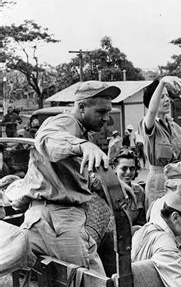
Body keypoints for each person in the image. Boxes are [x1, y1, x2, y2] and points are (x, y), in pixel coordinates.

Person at [5, 80, 122, 276]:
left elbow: (74, 175)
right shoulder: (65, 123)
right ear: (81, 106)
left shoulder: (81, 131)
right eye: (101, 112)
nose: (106, 119)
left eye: (108, 112)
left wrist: (113, 184)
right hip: (59, 220)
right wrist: (83, 146)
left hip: (53, 219)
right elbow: (48, 139)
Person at [139, 76, 181, 208]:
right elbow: (152, 111)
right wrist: (162, 81)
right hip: (157, 182)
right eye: (161, 97)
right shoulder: (149, 124)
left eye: (167, 96)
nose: (166, 100)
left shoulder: (175, 127)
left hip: (176, 178)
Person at [112, 148, 146, 226]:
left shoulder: (139, 191)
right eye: (124, 168)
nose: (128, 172)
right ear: (114, 168)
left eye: (132, 168)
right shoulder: (108, 192)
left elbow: (141, 220)